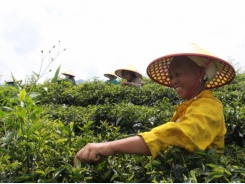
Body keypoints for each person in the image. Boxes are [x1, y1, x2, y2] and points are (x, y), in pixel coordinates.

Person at [74, 43, 235, 165]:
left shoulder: (210, 106)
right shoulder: (190, 105)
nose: (173, 82)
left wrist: (111, 147)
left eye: (177, 74)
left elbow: (179, 134)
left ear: (200, 73)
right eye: (171, 76)